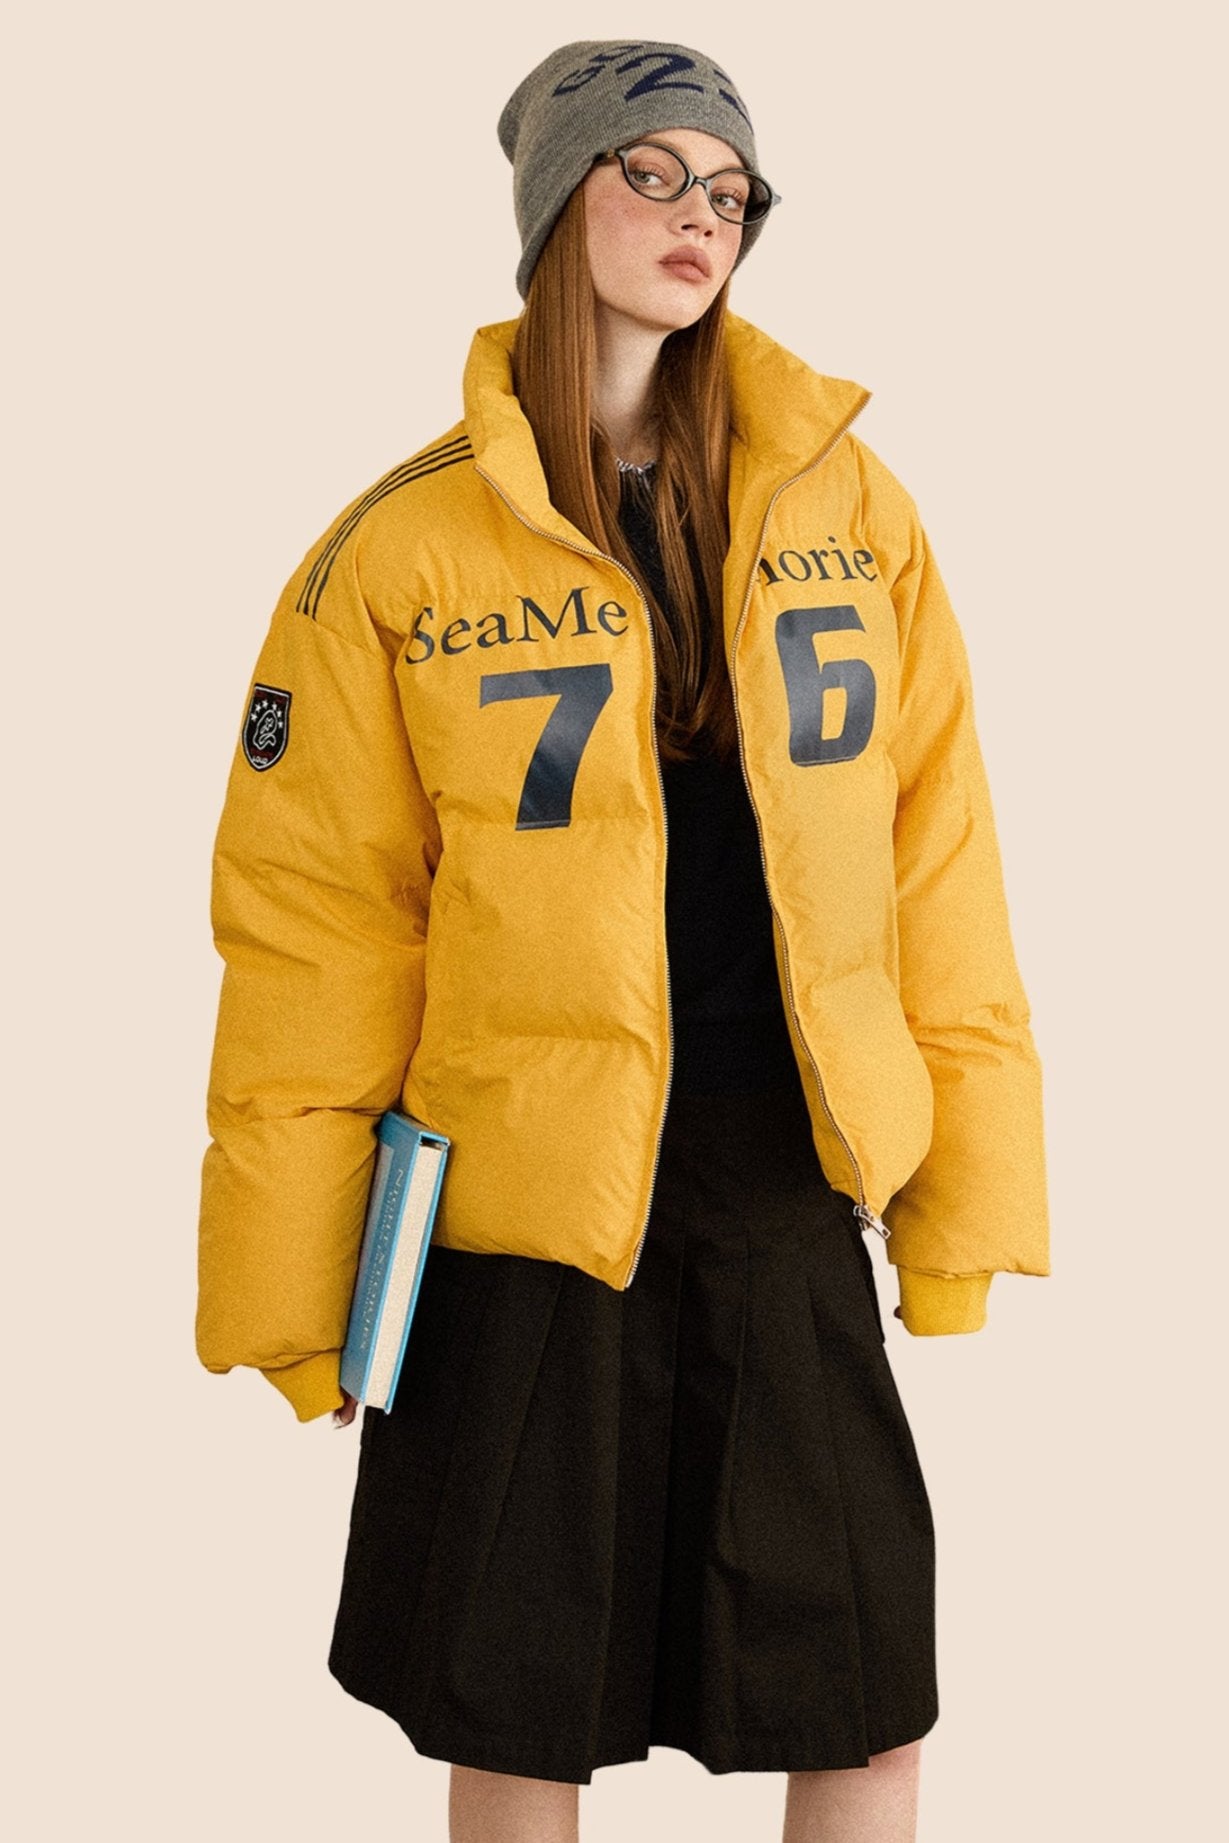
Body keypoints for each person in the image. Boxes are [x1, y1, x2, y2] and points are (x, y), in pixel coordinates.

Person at [195, 37, 1050, 1843]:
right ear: (551, 208)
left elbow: (939, 867)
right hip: (523, 1208)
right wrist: (294, 1290)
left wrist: (962, 1207)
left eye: (727, 192)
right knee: (516, 1708)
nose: (696, 218)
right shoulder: (400, 547)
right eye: (648, 175)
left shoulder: (849, 511)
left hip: (780, 1180)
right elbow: (318, 930)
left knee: (859, 1702)